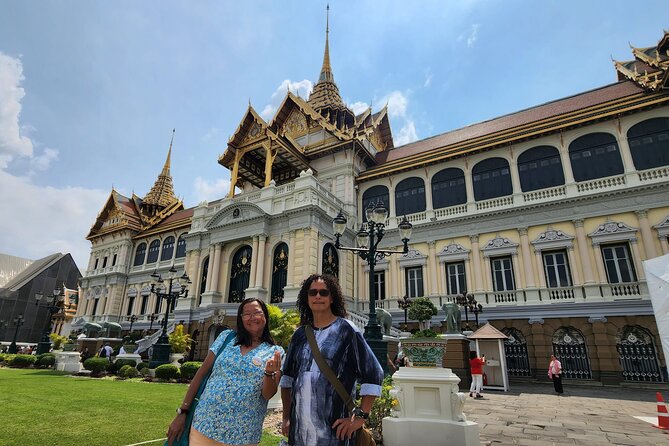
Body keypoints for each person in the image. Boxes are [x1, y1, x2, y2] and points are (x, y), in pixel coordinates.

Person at [280, 274, 384, 446]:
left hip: (334, 434)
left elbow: (374, 373)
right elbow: (287, 379)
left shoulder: (346, 330)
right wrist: (286, 417)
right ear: (306, 298)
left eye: (323, 292)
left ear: (332, 298)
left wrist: (360, 417)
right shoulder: (300, 335)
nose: (318, 296)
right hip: (299, 433)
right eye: (312, 293)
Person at [166, 298, 283, 446]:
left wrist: (269, 373)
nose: (252, 317)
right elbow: (201, 374)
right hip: (205, 424)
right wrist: (183, 411)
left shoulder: (275, 351)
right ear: (240, 319)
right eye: (246, 314)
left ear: (265, 316)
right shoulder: (227, 338)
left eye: (257, 312)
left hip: (244, 433)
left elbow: (267, 394)